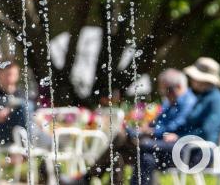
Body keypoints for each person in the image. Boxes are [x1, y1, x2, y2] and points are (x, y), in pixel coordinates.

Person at [69, 68, 197, 184]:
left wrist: (148, 131)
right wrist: (145, 128)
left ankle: (88, 178)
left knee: (120, 139)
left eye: (167, 90)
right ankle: (101, 180)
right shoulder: (170, 101)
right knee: (120, 146)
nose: (164, 94)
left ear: (179, 86)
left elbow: (173, 127)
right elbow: (156, 123)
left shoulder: (188, 103)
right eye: (163, 90)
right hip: (153, 142)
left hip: (169, 148)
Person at [131, 57, 220, 185]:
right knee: (146, 158)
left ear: (202, 80)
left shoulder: (217, 101)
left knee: (145, 144)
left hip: (200, 153)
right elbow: (187, 125)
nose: (191, 80)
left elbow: (206, 131)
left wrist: (179, 137)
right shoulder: (202, 98)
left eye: (194, 77)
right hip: (187, 148)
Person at [0, 61, 51, 149]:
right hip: (5, 132)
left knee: (26, 106)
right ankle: (42, 142)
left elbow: (38, 113)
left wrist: (39, 119)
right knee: (23, 106)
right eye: (7, 74)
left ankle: (38, 140)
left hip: (26, 129)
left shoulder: (24, 93)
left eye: (12, 74)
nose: (10, 77)